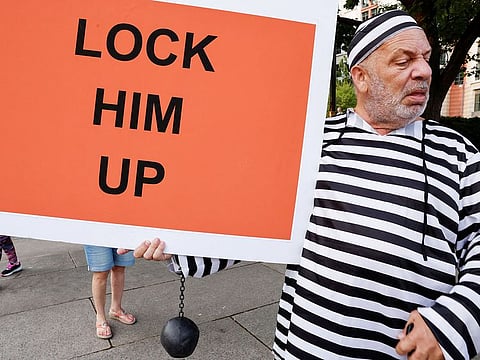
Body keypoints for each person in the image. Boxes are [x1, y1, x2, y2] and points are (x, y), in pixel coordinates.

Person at [122, 10, 480, 359]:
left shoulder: (460, 155)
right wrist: (180, 245)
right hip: (305, 347)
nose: (424, 71)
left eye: (426, 58)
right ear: (361, 77)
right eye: (404, 61)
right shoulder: (309, 143)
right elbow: (253, 222)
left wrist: (455, 320)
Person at [84, 245, 136, 339]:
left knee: (120, 267)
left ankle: (116, 309)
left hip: (122, 231)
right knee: (100, 272)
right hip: (96, 233)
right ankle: (100, 317)